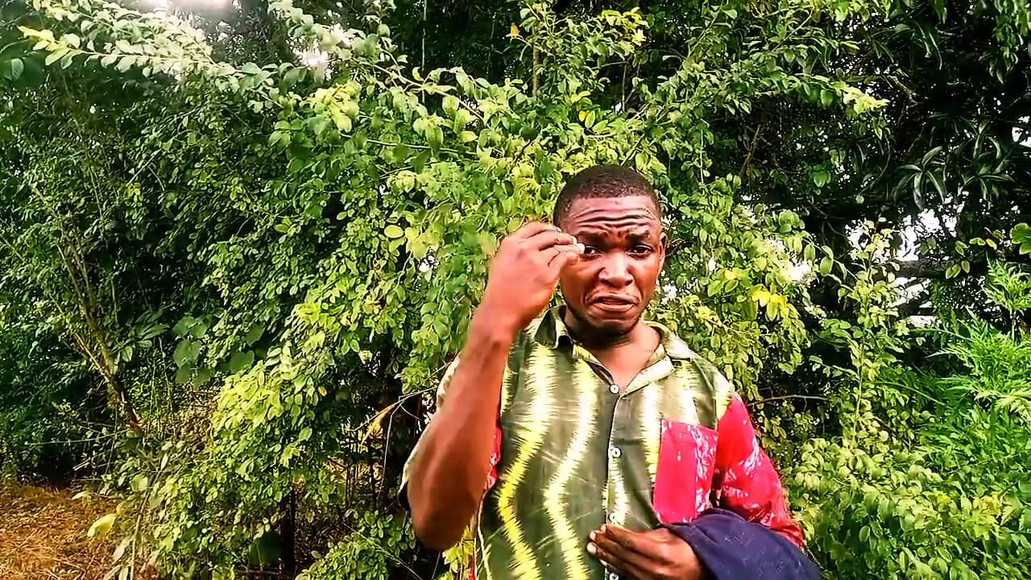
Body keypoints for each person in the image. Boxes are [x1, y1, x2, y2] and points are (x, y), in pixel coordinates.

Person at [402, 165, 819, 579]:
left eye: (638, 249)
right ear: (558, 251)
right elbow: (435, 524)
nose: (617, 274)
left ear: (661, 252)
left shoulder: (707, 391)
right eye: (590, 249)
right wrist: (492, 326)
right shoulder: (500, 365)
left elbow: (780, 542)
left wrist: (703, 561)